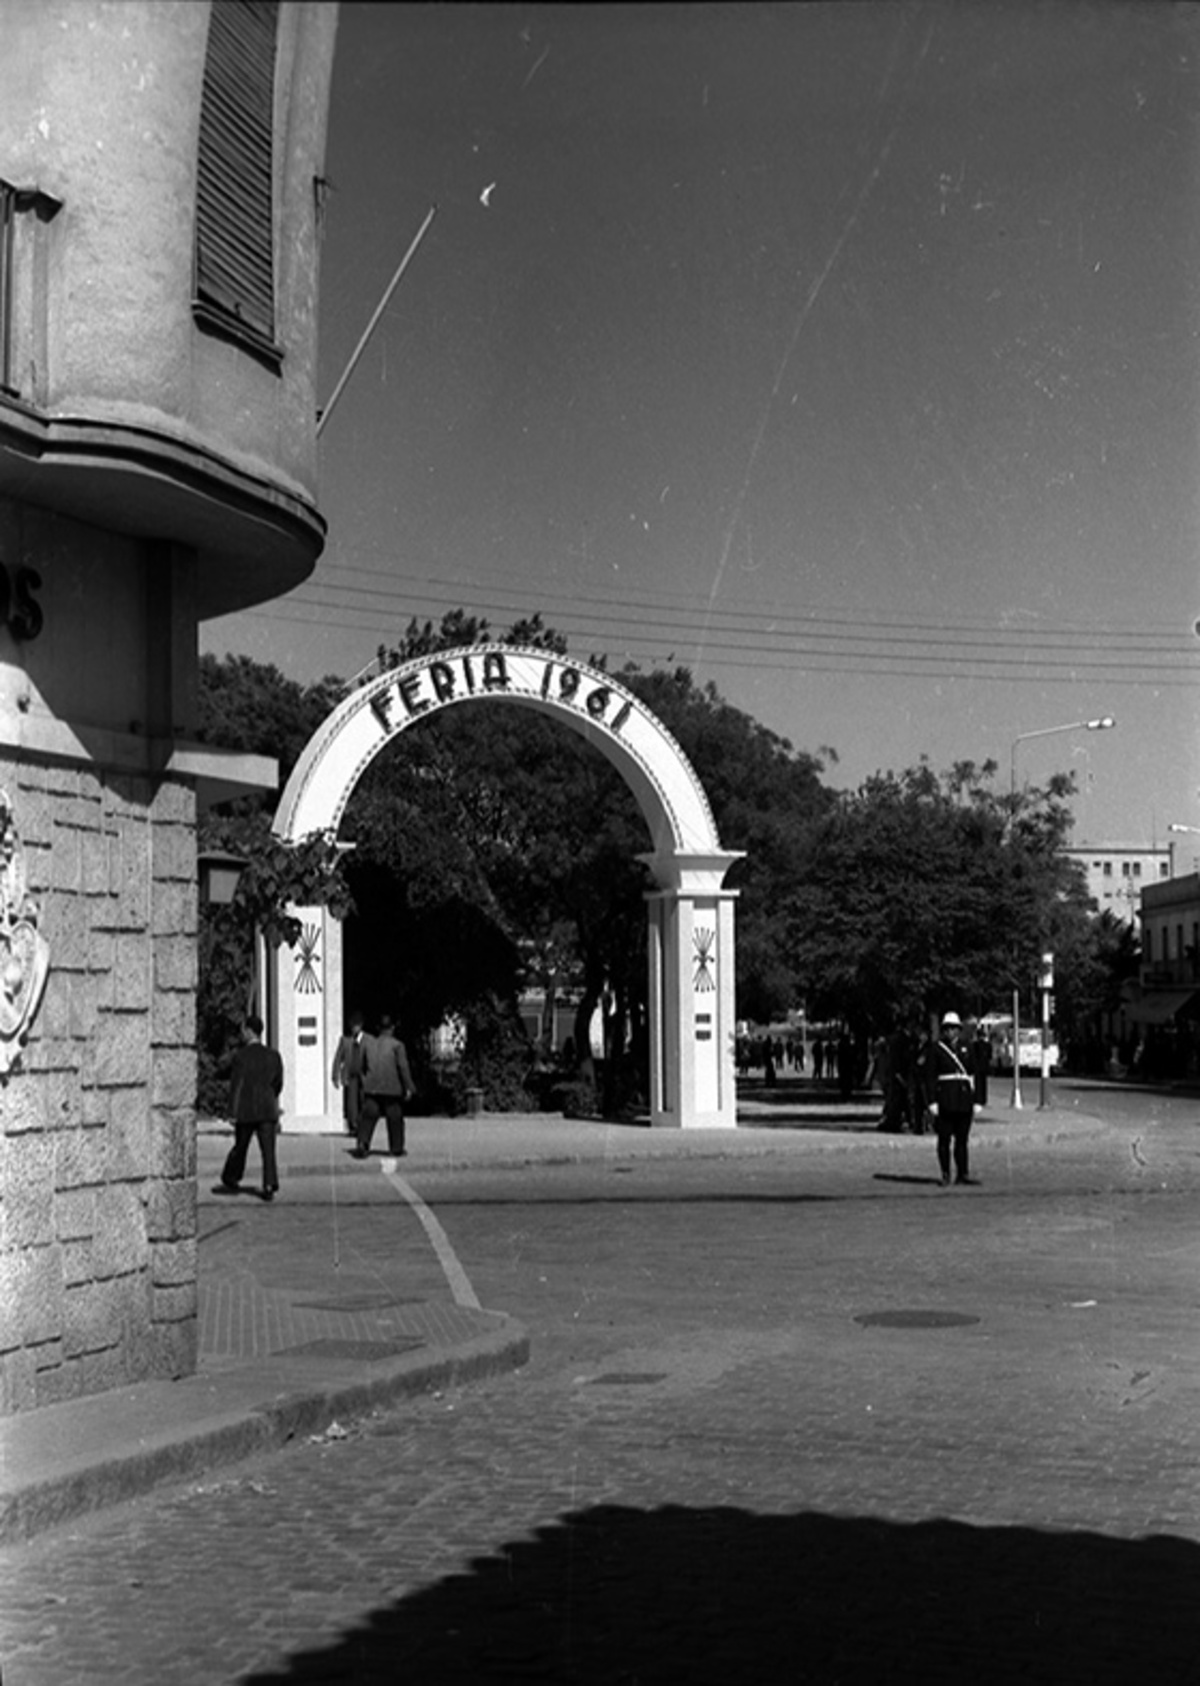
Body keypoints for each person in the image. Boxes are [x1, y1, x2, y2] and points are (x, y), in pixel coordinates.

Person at [218, 1014, 284, 1201]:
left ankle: (231, 1176)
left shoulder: (241, 1057)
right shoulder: (273, 1056)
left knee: (241, 1146)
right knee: (268, 1150)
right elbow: (279, 1083)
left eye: (243, 1030)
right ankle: (269, 1184)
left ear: (248, 1031)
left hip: (247, 1110)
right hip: (267, 1109)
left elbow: (236, 1086)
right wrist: (271, 1098)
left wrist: (232, 1112)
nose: (242, 1034)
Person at [927, 1010, 978, 1186]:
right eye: (947, 1029)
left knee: (962, 1140)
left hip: (963, 1098)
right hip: (945, 1098)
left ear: (959, 1030)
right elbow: (931, 1076)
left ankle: (963, 1173)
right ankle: (945, 1173)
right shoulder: (936, 1049)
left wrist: (977, 1100)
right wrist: (932, 1101)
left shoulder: (968, 1046)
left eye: (954, 1028)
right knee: (944, 1139)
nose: (950, 1032)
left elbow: (974, 1072)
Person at [354, 1012, 415, 1159]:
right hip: (391, 1088)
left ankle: (363, 1143)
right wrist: (409, 1087)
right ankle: (396, 1148)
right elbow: (403, 1067)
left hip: (371, 1087)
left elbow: (360, 1065)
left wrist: (364, 1081)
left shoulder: (369, 1044)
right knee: (394, 1117)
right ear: (392, 1028)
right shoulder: (397, 1046)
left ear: (378, 1028)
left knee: (368, 1115)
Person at [331, 1009, 368, 1136]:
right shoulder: (345, 1040)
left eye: (357, 1025)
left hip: (363, 1075)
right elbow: (338, 1058)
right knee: (351, 1103)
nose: (354, 1029)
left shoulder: (367, 1041)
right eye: (352, 1026)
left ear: (361, 1026)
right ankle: (353, 1126)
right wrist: (335, 1075)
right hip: (350, 1075)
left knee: (363, 1101)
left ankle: (362, 1125)